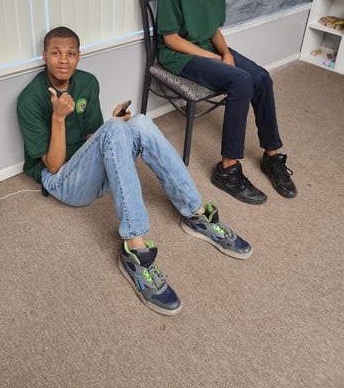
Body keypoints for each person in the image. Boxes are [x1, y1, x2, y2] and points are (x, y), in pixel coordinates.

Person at [17, 26, 252, 317]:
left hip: (90, 170)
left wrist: (115, 127)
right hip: (64, 182)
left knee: (138, 122)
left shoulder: (87, 82)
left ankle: (195, 213)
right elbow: (53, 166)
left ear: (78, 56)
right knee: (115, 129)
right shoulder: (29, 99)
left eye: (70, 53)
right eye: (55, 53)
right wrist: (58, 118)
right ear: (44, 56)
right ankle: (135, 250)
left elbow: (92, 137)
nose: (63, 60)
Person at [157, 0, 297, 206]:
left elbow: (213, 29)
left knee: (261, 77)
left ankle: (272, 155)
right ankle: (228, 169)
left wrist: (225, 53)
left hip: (208, 47)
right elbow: (170, 39)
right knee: (240, 81)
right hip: (179, 55)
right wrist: (214, 57)